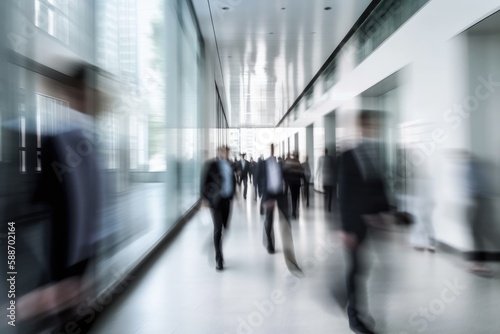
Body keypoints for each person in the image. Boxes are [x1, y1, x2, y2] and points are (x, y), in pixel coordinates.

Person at [20, 63, 102, 329]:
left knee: (63, 307)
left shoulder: (63, 137)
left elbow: (40, 194)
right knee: (67, 308)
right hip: (79, 244)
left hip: (67, 244)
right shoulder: (83, 138)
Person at [338, 110, 390, 334]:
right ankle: (355, 316)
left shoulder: (376, 152)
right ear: (360, 127)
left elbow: (378, 185)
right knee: (356, 268)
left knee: (364, 267)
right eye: (368, 125)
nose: (371, 129)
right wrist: (346, 228)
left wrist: (384, 212)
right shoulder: (348, 155)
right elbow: (345, 193)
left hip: (373, 221)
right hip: (354, 223)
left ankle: (354, 304)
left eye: (374, 126)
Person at [257, 144, 302, 275]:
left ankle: (291, 260)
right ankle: (269, 243)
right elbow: (259, 180)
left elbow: (287, 176)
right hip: (269, 195)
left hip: (281, 194)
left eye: (272, 148)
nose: (271, 151)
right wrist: (264, 199)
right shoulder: (262, 164)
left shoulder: (279, 163)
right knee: (269, 221)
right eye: (269, 149)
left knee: (286, 225)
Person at [201, 146, 236, 271]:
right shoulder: (212, 164)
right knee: (218, 228)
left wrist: (234, 194)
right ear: (219, 152)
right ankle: (219, 259)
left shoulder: (230, 164)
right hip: (215, 201)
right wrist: (204, 198)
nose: (225, 154)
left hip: (227, 200)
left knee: (226, 227)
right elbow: (204, 180)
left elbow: (232, 180)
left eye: (227, 152)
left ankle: (215, 245)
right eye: (223, 152)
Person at [283, 152, 304, 219]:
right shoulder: (298, 163)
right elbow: (302, 173)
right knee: (296, 196)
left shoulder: (289, 162)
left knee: (293, 197)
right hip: (297, 182)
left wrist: (286, 179)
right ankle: (295, 210)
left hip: (291, 182)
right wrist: (305, 180)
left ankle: (294, 211)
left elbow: (284, 170)